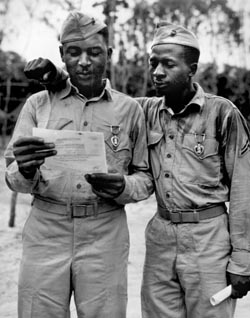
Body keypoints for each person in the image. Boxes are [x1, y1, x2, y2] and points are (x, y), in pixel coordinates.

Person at [23, 22, 250, 318]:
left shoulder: (223, 114)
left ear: (192, 69)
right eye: (153, 63)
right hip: (161, 236)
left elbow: (245, 190)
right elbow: (99, 98)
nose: (157, 72)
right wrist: (58, 77)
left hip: (209, 237)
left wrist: (243, 259)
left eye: (168, 64)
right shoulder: (143, 110)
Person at [4, 11, 154, 318]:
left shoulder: (129, 110)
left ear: (109, 55)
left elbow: (146, 177)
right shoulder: (38, 104)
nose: (84, 61)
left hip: (105, 231)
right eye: (74, 52)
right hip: (46, 228)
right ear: (62, 55)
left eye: (94, 52)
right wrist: (26, 169)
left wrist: (123, 186)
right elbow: (11, 173)